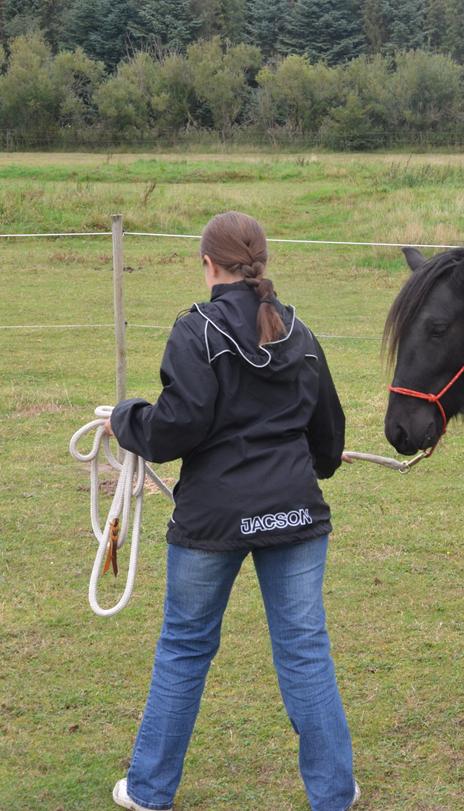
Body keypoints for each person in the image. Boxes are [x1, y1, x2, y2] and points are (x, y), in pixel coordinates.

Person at [105, 211, 359, 811]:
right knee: (304, 649)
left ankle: (148, 792)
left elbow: (174, 428)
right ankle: (333, 794)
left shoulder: (196, 328)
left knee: (184, 648)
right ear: (261, 263)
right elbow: (328, 432)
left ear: (208, 264)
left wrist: (125, 418)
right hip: (294, 517)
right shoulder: (297, 331)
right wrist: (312, 467)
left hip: (212, 523)